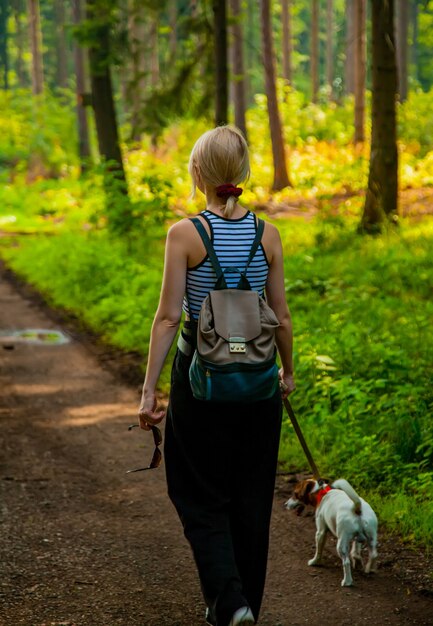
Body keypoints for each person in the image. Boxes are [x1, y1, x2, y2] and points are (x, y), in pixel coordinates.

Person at [138, 125, 295, 626]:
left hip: (200, 379)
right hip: (258, 382)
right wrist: (286, 372)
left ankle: (228, 603)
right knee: (251, 494)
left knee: (196, 490)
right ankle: (245, 600)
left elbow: (166, 318)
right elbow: (282, 315)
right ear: (243, 173)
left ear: (199, 173)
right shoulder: (267, 234)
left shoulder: (185, 234)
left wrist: (149, 392)